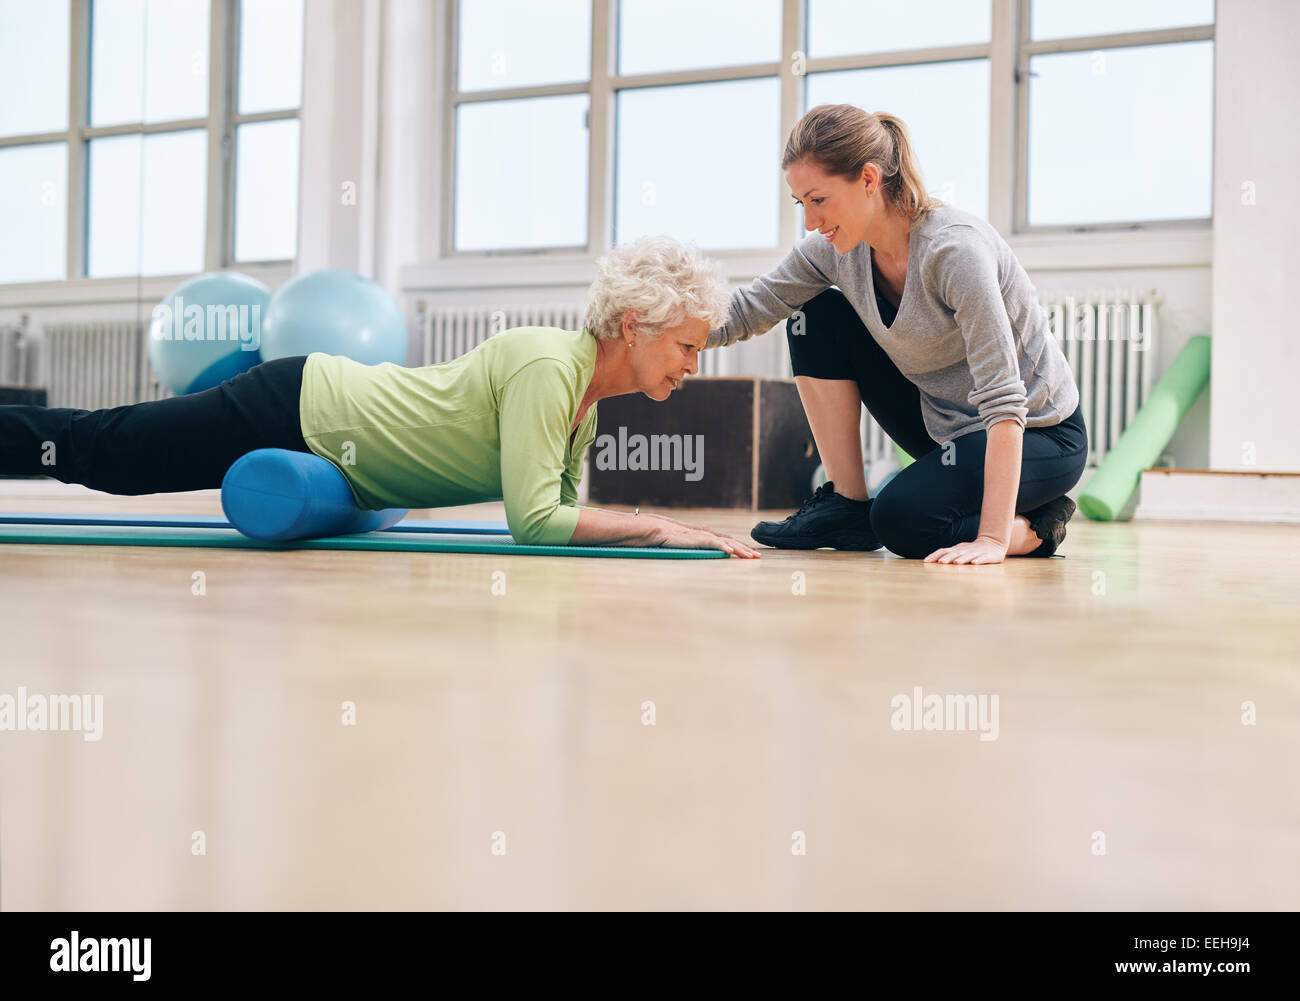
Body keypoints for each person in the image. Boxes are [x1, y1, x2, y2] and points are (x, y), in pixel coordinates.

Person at [0, 237, 761, 557]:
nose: (693, 363)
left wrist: (648, 537)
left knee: (112, 452)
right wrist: (660, 528)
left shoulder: (584, 410)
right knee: (107, 451)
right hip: (302, 406)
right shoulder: (547, 364)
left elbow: (561, 524)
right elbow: (535, 522)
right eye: (687, 344)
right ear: (634, 325)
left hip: (329, 444)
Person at [707, 104, 1087, 564]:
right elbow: (749, 309)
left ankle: (1039, 526)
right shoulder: (833, 251)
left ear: (869, 180)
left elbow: (1006, 400)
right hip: (946, 425)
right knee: (816, 317)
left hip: (1039, 432)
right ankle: (846, 504)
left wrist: (991, 539)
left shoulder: (955, 252)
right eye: (801, 203)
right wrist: (660, 332)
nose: (810, 221)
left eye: (819, 200)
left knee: (903, 523)